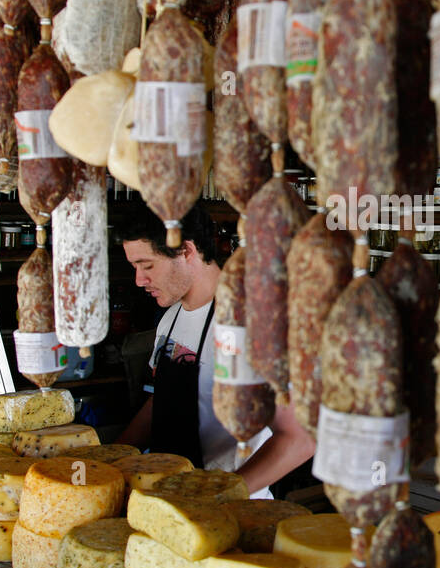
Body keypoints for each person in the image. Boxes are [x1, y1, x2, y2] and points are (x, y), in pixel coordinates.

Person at [115, 203, 314, 499]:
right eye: (135, 268)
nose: (139, 281)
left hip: (232, 514)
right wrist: (114, 460)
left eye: (147, 266)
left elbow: (300, 438)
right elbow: (163, 399)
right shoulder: (170, 318)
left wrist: (220, 495)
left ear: (186, 251)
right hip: (170, 501)